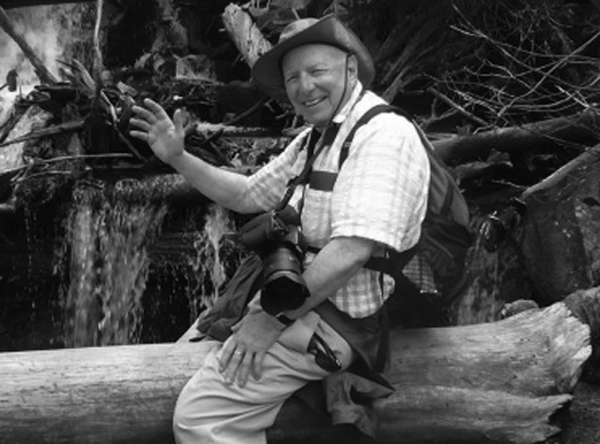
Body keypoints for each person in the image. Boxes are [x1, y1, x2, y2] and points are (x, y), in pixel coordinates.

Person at [129, 13, 430, 444]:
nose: (304, 87)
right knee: (177, 362)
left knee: (201, 418)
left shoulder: (383, 135)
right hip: (289, 299)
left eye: (317, 71)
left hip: (335, 321)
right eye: (293, 78)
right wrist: (177, 157)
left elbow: (351, 252)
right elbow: (246, 194)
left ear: (350, 68)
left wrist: (268, 322)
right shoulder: (315, 138)